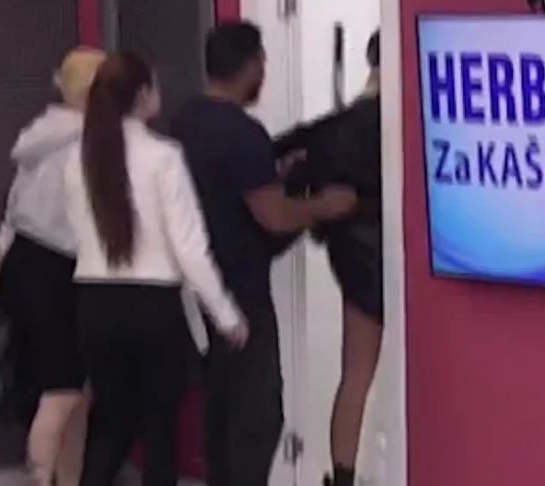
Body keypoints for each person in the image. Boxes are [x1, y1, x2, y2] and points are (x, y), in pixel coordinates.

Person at [171, 22, 358, 486]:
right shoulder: (243, 133)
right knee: (257, 417)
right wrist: (324, 205)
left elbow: (224, 191)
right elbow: (273, 216)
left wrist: (274, 174)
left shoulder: (186, 121)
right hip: (242, 294)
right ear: (252, 64)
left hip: (194, 292)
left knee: (220, 413)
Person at [63, 52, 248, 486]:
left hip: (94, 302)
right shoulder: (164, 157)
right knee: (159, 430)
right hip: (154, 307)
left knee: (112, 427)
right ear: (143, 94)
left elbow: (74, 234)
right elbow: (189, 247)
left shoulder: (78, 159)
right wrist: (226, 315)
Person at [274, 31, 383, 486]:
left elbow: (279, 155)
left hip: (358, 265)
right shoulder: (417, 120)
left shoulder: (340, 126)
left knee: (354, 377)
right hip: (414, 266)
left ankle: (341, 477)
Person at [0, 47, 106, 486]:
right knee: (64, 393)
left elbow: (15, 208)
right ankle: (43, 477)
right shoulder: (88, 143)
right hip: (59, 271)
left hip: (26, 264)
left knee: (73, 394)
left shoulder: (41, 136)